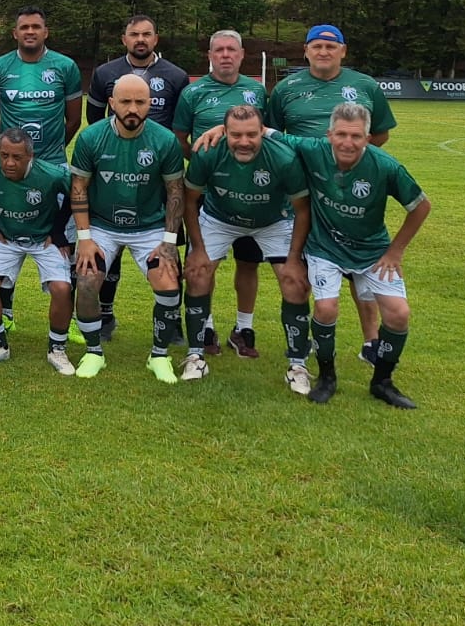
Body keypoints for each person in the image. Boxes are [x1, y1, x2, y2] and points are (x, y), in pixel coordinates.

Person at [201, 103, 429, 408]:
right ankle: (326, 377)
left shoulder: (386, 166)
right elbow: (266, 133)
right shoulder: (314, 149)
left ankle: (382, 381)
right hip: (325, 248)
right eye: (342, 135)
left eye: (357, 136)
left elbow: (421, 207)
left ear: (368, 137)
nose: (348, 142)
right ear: (329, 135)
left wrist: (395, 251)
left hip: (372, 250)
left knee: (399, 314)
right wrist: (221, 129)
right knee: (325, 309)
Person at [264, 24, 397, 354]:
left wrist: (347, 156)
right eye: (316, 46)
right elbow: (271, 134)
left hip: (351, 189)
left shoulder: (364, 85)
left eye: (330, 46)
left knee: (360, 265)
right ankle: (308, 336)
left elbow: (379, 134)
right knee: (307, 262)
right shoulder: (286, 88)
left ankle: (371, 339)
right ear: (306, 51)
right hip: (302, 187)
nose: (323, 51)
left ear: (343, 51)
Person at [182, 105, 311, 389]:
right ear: (224, 133)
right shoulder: (207, 152)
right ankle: (195, 356)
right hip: (220, 218)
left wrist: (293, 259)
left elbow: (303, 210)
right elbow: (189, 200)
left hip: (273, 221)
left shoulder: (284, 158)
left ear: (263, 132)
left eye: (252, 134)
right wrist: (199, 250)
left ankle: (298, 365)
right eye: (236, 135)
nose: (244, 141)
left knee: (296, 282)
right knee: (197, 272)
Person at [69, 75, 187, 384]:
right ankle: (94, 352)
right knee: (87, 280)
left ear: (150, 104)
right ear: (111, 103)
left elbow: (175, 192)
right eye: (125, 101)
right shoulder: (91, 137)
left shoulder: (164, 140)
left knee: (169, 285)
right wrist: (84, 238)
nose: (132, 108)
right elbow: (79, 188)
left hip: (149, 226)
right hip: (102, 226)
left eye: (140, 102)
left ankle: (158, 356)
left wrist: (168, 241)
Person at [81, 14, 190, 348]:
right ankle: (105, 314)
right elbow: (93, 118)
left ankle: (173, 325)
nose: (140, 39)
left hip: (156, 175)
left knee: (170, 260)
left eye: (147, 34)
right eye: (134, 34)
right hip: (115, 169)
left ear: (156, 39)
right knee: (103, 266)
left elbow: (182, 121)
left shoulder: (176, 75)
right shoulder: (105, 73)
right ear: (123, 38)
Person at [0, 6, 82, 327]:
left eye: (36, 27)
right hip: (12, 170)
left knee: (63, 244)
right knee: (10, 235)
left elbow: (73, 119)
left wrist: (46, 154)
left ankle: (70, 316)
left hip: (53, 165)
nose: (30, 32)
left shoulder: (65, 67)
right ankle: (6, 312)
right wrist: (15, 154)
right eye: (23, 27)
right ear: (15, 33)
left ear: (45, 32)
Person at [172, 29, 268, 358]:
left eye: (232, 50)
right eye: (219, 50)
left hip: (251, 191)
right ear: (210, 56)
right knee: (204, 262)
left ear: (242, 55)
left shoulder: (257, 91)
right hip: (206, 193)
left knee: (248, 262)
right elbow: (181, 138)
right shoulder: (193, 93)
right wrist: (206, 165)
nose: (225, 55)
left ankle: (244, 328)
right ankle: (207, 325)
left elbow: (266, 137)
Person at [0, 130, 73, 372]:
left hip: (43, 240)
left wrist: (57, 232)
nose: (9, 163)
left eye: (17, 157)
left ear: (30, 156)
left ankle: (57, 349)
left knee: (62, 288)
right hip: (8, 239)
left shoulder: (52, 174)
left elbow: (75, 195)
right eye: (4, 155)